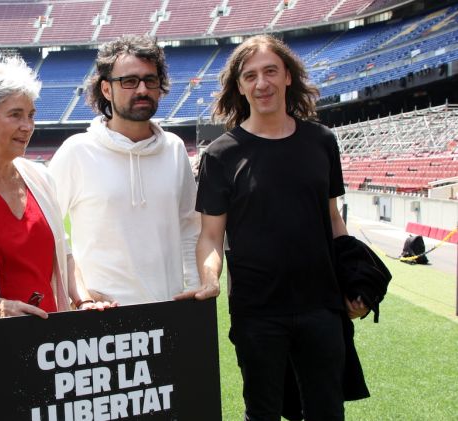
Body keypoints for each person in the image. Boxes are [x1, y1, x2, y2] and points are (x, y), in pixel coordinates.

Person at [193, 34, 369, 420]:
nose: (262, 83)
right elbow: (210, 235)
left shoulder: (322, 141)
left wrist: (353, 281)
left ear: (288, 75)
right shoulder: (222, 154)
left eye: (271, 71)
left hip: (321, 306)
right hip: (257, 311)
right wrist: (210, 278)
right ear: (239, 86)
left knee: (328, 411)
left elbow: (333, 219)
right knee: (263, 413)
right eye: (251, 75)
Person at [48, 35, 201, 305]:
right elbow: (48, 229)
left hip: (169, 310)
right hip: (104, 316)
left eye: (150, 80)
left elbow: (190, 227)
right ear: (106, 89)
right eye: (129, 81)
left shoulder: (175, 149)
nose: (141, 89)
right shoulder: (78, 151)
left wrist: (196, 287)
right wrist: (79, 291)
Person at [0, 58, 110, 318]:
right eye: (15, 115)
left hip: (49, 342)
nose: (27, 126)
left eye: (31, 115)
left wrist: (84, 300)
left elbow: (66, 257)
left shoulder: (40, 178)